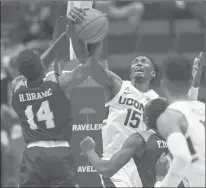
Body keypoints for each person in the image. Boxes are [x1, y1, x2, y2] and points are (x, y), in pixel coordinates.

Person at [68, 7, 203, 187]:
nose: (139, 63)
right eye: (135, 62)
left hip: (142, 162)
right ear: (130, 71)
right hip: (116, 158)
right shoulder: (117, 85)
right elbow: (87, 62)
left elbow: (185, 109)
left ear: (153, 73)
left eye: (144, 61)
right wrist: (75, 33)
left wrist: (194, 82)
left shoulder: (157, 101)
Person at [11, 15, 89, 187]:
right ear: (40, 66)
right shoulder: (58, 83)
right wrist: (77, 38)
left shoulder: (17, 89)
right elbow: (87, 68)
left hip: (33, 154)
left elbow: (36, 67)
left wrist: (61, 39)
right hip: (59, 152)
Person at [80, 98, 171, 187]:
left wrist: (89, 151)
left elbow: (106, 169)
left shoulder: (140, 139)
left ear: (145, 120)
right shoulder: (177, 142)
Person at [155, 54, 205, 187]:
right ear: (190, 81)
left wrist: (162, 183)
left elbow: (182, 157)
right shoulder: (201, 108)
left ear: (163, 83)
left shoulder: (169, 117)